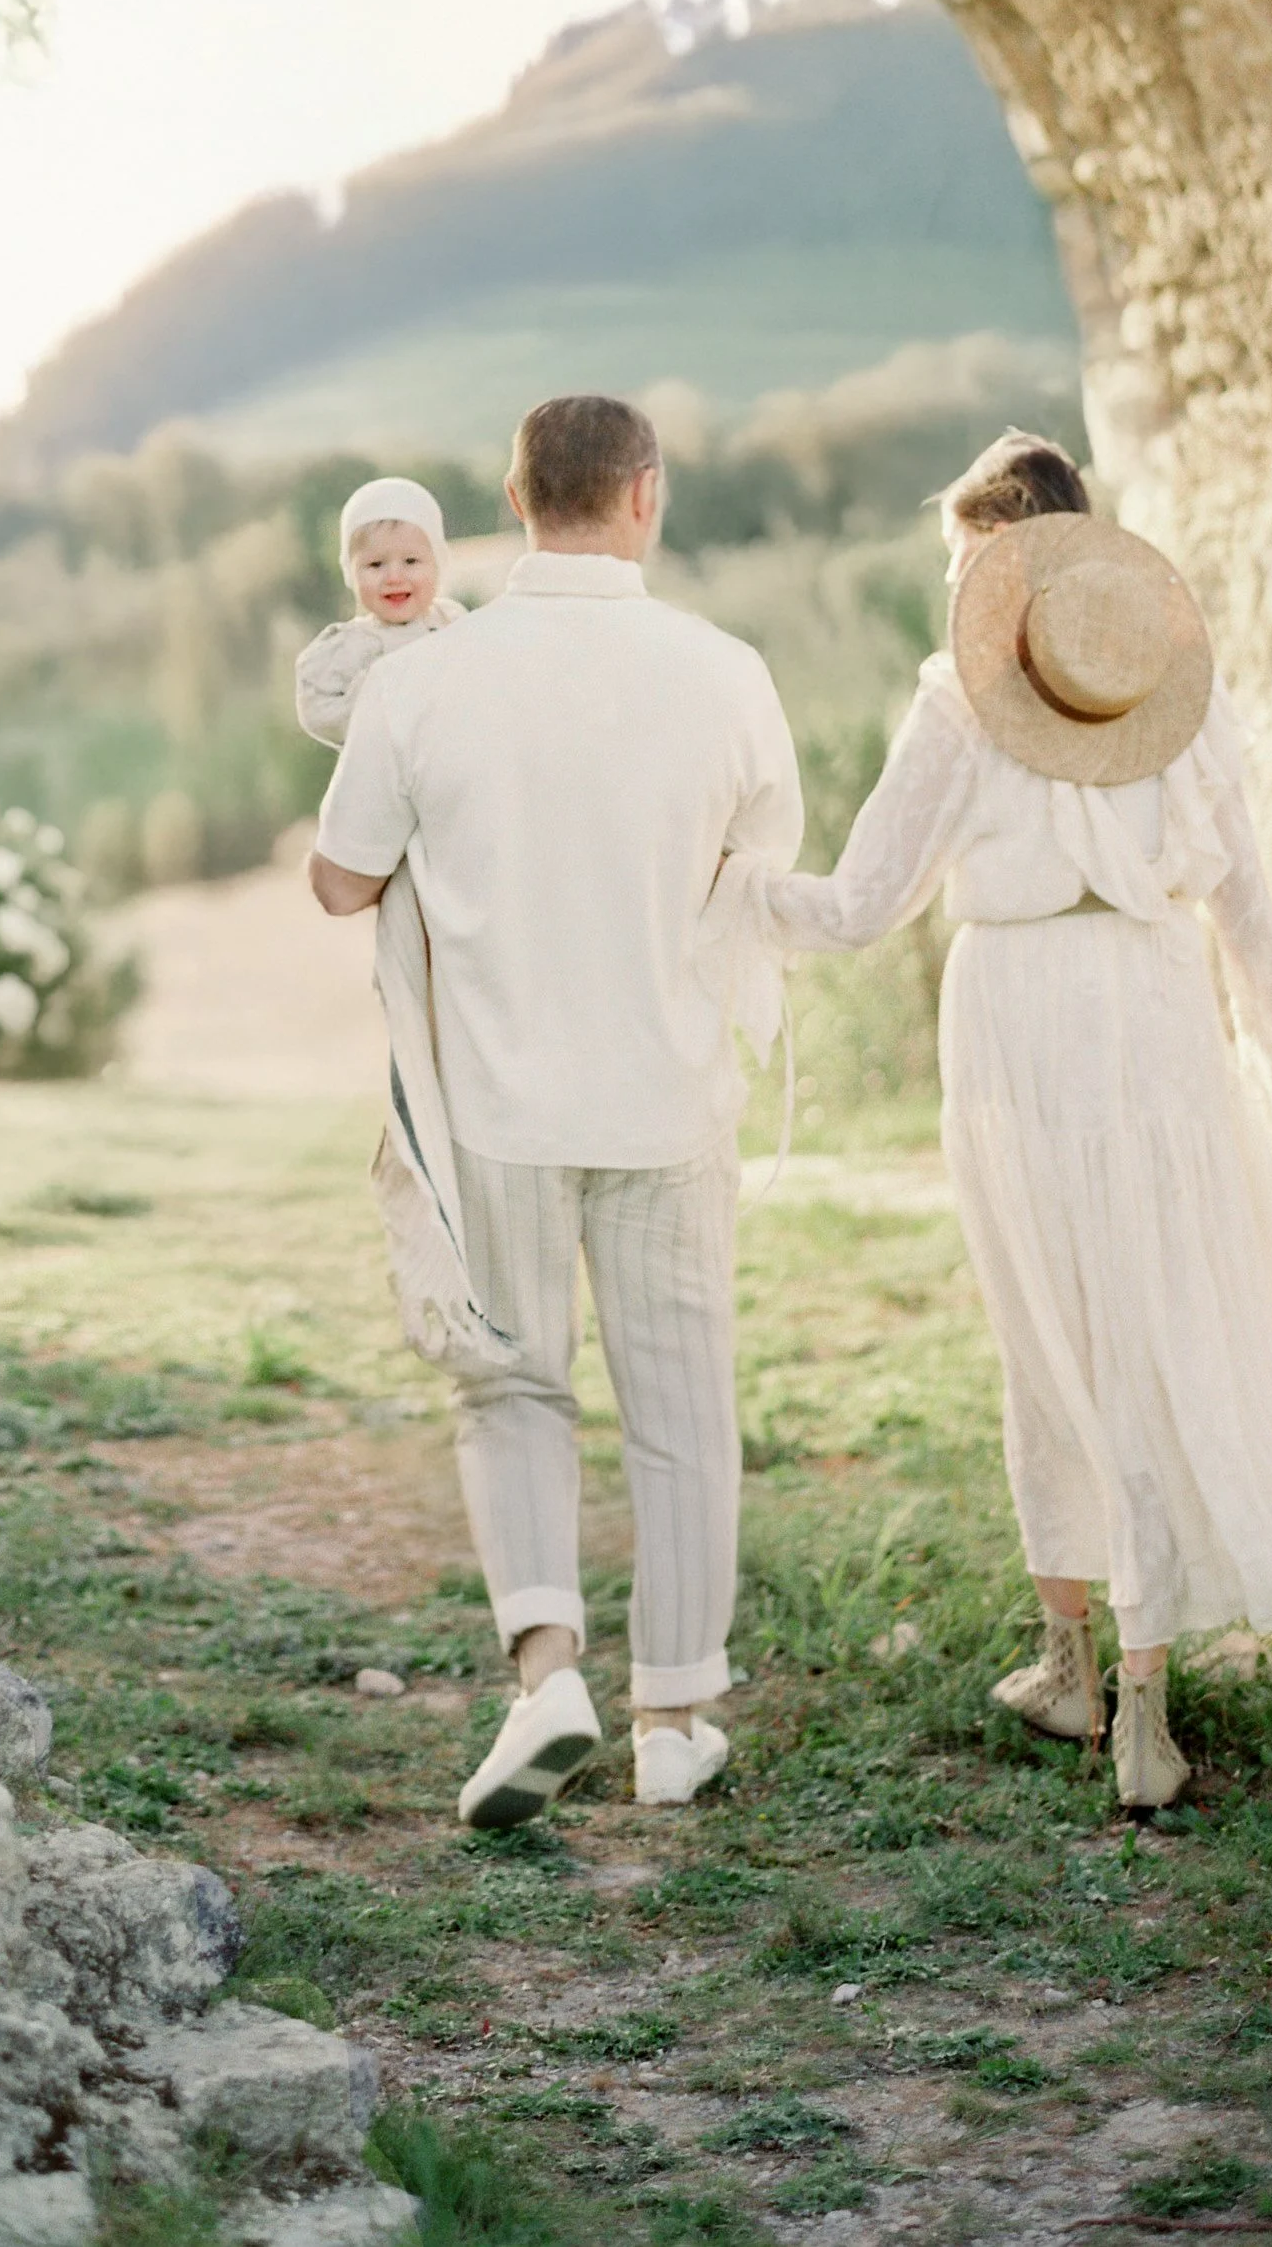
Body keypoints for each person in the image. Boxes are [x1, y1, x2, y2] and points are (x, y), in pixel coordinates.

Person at [765, 432, 1272, 1812]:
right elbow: (1247, 910)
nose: (957, 585)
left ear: (1007, 561)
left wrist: (724, 884)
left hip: (1020, 1015)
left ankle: (1074, 1665)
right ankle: (1142, 1702)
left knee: (1053, 1331)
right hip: (1154, 1012)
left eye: (968, 560)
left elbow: (853, 907)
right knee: (1155, 1320)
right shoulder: (1173, 696)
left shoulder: (960, 705)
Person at [310, 394, 804, 1822]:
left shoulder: (422, 682)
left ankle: (544, 1677)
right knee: (681, 1407)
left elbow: (344, 877)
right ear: (641, 494)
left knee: (511, 1387)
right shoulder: (726, 671)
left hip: (497, 1104)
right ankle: (677, 1714)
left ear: (514, 502)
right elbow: (758, 866)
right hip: (666, 1094)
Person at [293, 478, 466, 749]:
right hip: (387, 774)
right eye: (375, 564)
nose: (394, 577)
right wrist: (371, 710)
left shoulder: (453, 622)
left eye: (411, 561)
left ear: (438, 563)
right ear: (350, 572)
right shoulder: (349, 647)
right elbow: (318, 711)